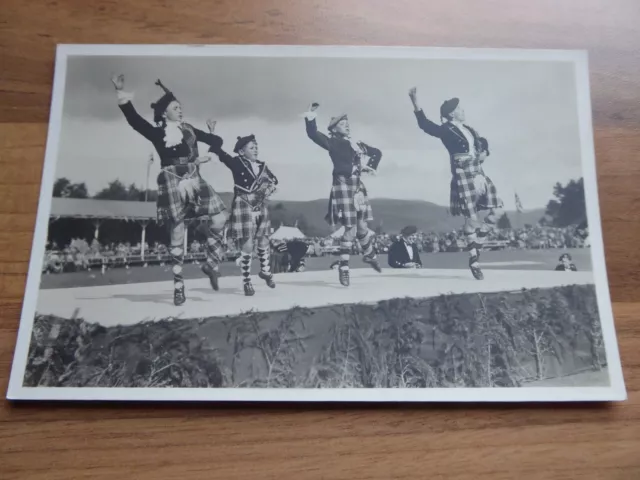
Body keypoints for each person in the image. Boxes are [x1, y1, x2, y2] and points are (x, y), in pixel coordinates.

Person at [112, 74, 227, 306]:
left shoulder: (190, 129)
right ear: (165, 112)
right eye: (176, 107)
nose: (180, 110)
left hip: (195, 178)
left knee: (220, 218)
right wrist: (121, 92)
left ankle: (211, 263)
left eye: (181, 107)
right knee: (177, 232)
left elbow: (218, 141)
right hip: (172, 179)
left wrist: (211, 145)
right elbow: (134, 120)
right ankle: (178, 285)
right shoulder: (157, 132)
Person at [408, 87, 503, 280]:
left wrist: (485, 152)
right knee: (472, 220)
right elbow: (425, 125)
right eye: (460, 109)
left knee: (498, 210)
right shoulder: (446, 129)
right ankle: (474, 259)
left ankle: (476, 245)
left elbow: (482, 145)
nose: (463, 111)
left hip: (479, 173)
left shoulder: (470, 130)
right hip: (463, 174)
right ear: (452, 113)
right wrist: (415, 102)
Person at [303, 102, 383, 287]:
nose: (347, 125)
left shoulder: (357, 144)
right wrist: (311, 115)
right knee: (351, 229)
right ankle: (344, 268)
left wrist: (371, 166)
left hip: (358, 187)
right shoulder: (333, 142)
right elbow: (313, 134)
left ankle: (369, 255)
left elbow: (377, 152)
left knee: (362, 227)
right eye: (342, 123)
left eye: (347, 122)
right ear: (334, 129)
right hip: (343, 185)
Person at [206, 124, 278, 296]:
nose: (256, 150)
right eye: (251, 147)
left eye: (256, 147)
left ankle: (265, 271)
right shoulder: (236, 162)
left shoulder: (262, 166)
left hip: (260, 205)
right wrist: (212, 134)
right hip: (243, 204)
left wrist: (265, 191)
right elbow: (220, 153)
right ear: (241, 151)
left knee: (263, 240)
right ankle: (246, 281)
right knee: (247, 245)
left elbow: (274, 181)